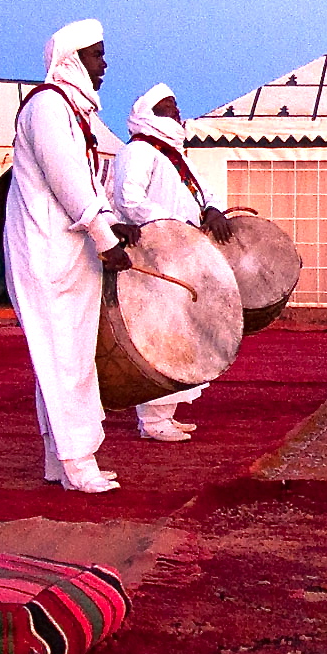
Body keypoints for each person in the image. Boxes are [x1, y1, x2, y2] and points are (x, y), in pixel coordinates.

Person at [8, 20, 137, 492]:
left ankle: (59, 462)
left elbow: (85, 181)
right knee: (64, 359)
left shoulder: (70, 111)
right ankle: (79, 465)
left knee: (63, 359)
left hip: (67, 253)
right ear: (72, 61)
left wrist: (109, 222)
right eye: (97, 55)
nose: (105, 65)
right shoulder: (46, 107)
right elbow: (68, 181)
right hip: (48, 254)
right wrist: (106, 239)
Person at [113, 83, 236, 442]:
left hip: (183, 255)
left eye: (177, 107)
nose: (177, 114)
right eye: (168, 108)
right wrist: (177, 225)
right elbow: (129, 200)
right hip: (156, 256)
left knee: (182, 334)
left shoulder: (174, 155)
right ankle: (152, 420)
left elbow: (203, 192)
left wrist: (211, 209)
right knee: (160, 335)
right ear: (148, 115)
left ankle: (165, 413)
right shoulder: (138, 151)